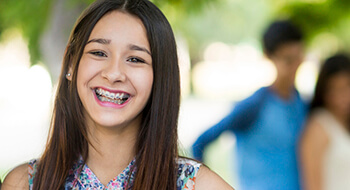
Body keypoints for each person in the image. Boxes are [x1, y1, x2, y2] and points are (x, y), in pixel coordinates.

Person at [2, 0, 234, 189]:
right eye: (99, 52)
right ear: (71, 63)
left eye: (135, 59)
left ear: (161, 76)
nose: (114, 74)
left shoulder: (197, 185)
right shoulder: (25, 184)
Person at [192, 20, 308, 190]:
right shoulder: (253, 106)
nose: (295, 67)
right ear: (269, 56)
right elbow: (200, 143)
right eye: (288, 60)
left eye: (299, 58)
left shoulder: (302, 103)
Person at [300, 54, 350, 190]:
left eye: (347, 87)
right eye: (335, 89)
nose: (342, 96)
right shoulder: (319, 125)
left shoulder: (345, 122)